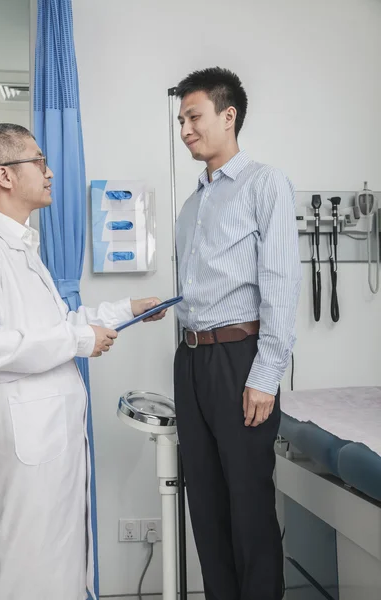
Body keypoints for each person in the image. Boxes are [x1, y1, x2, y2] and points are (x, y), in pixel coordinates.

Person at [0, 123, 166, 600]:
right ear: (4, 175)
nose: (49, 172)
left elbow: (58, 323)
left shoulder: (22, 244)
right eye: (38, 162)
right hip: (24, 451)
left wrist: (125, 311)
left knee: (57, 569)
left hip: (52, 443)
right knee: (22, 569)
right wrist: (77, 340)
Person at [173, 68, 302, 600]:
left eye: (194, 116)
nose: (185, 129)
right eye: (181, 119)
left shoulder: (265, 184)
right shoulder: (192, 205)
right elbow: (203, 286)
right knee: (204, 502)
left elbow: (279, 284)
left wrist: (266, 376)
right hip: (191, 359)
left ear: (228, 117)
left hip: (240, 359)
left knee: (248, 504)